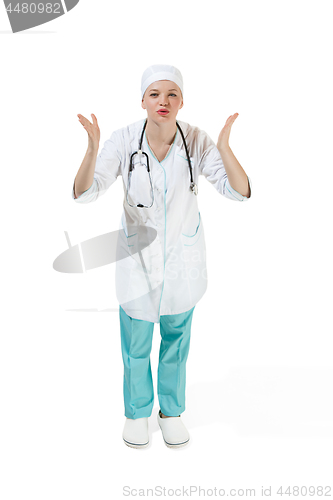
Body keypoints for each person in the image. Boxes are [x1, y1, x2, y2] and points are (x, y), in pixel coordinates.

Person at [71, 64, 252, 449]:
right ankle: (136, 414)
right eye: (155, 94)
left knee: (176, 343)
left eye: (172, 94)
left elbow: (238, 192)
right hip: (137, 266)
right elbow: (86, 193)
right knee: (136, 347)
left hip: (183, 265)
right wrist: (90, 149)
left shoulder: (197, 140)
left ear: (182, 100)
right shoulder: (122, 141)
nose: (163, 101)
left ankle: (171, 412)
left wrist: (225, 148)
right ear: (142, 101)